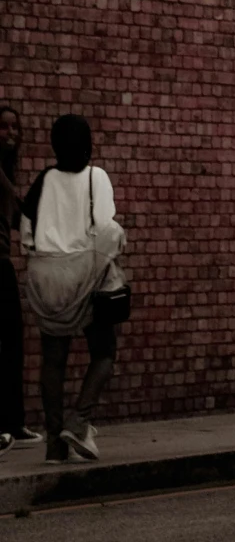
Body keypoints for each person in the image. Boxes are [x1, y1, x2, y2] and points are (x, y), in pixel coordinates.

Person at [19, 116, 121, 464]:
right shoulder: (97, 177)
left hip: (46, 276)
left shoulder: (44, 179)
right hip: (84, 274)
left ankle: (53, 444)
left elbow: (27, 231)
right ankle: (79, 421)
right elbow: (106, 226)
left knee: (53, 360)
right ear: (88, 143)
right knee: (104, 351)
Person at [0, 108, 32, 452]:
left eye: (14, 127)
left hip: (3, 262)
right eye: (3, 126)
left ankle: (12, 422)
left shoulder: (5, 171)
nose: (10, 133)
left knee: (12, 343)